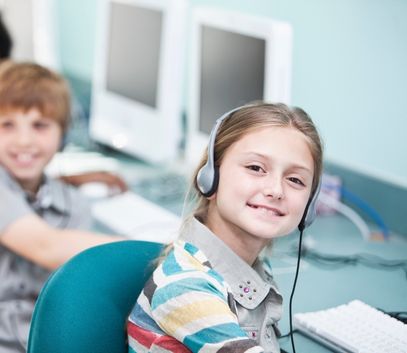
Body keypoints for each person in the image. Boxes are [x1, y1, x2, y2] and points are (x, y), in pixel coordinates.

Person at [126, 102, 323, 353]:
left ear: (310, 204)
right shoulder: (187, 288)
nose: (275, 190)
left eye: (295, 180)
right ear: (210, 178)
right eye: (255, 168)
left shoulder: (253, 270)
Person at [0, 61, 126, 353]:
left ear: (63, 135)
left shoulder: (72, 204)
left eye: (40, 125)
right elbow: (47, 245)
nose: (24, 140)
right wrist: (165, 250)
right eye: (7, 125)